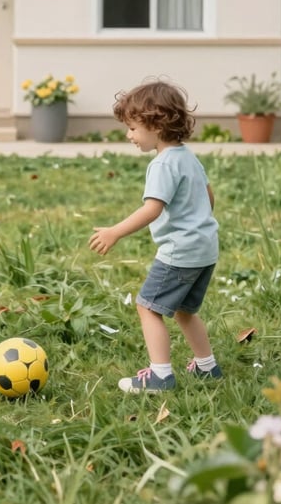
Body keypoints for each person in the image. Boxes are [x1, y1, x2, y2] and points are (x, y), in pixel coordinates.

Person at [88, 80, 222, 393]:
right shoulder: (187, 156)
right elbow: (208, 195)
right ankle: (207, 367)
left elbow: (152, 209)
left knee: (148, 306)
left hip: (180, 251)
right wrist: (199, 220)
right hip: (205, 248)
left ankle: (160, 375)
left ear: (156, 124)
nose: (129, 135)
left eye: (133, 128)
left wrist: (115, 232)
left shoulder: (162, 164)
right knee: (185, 310)